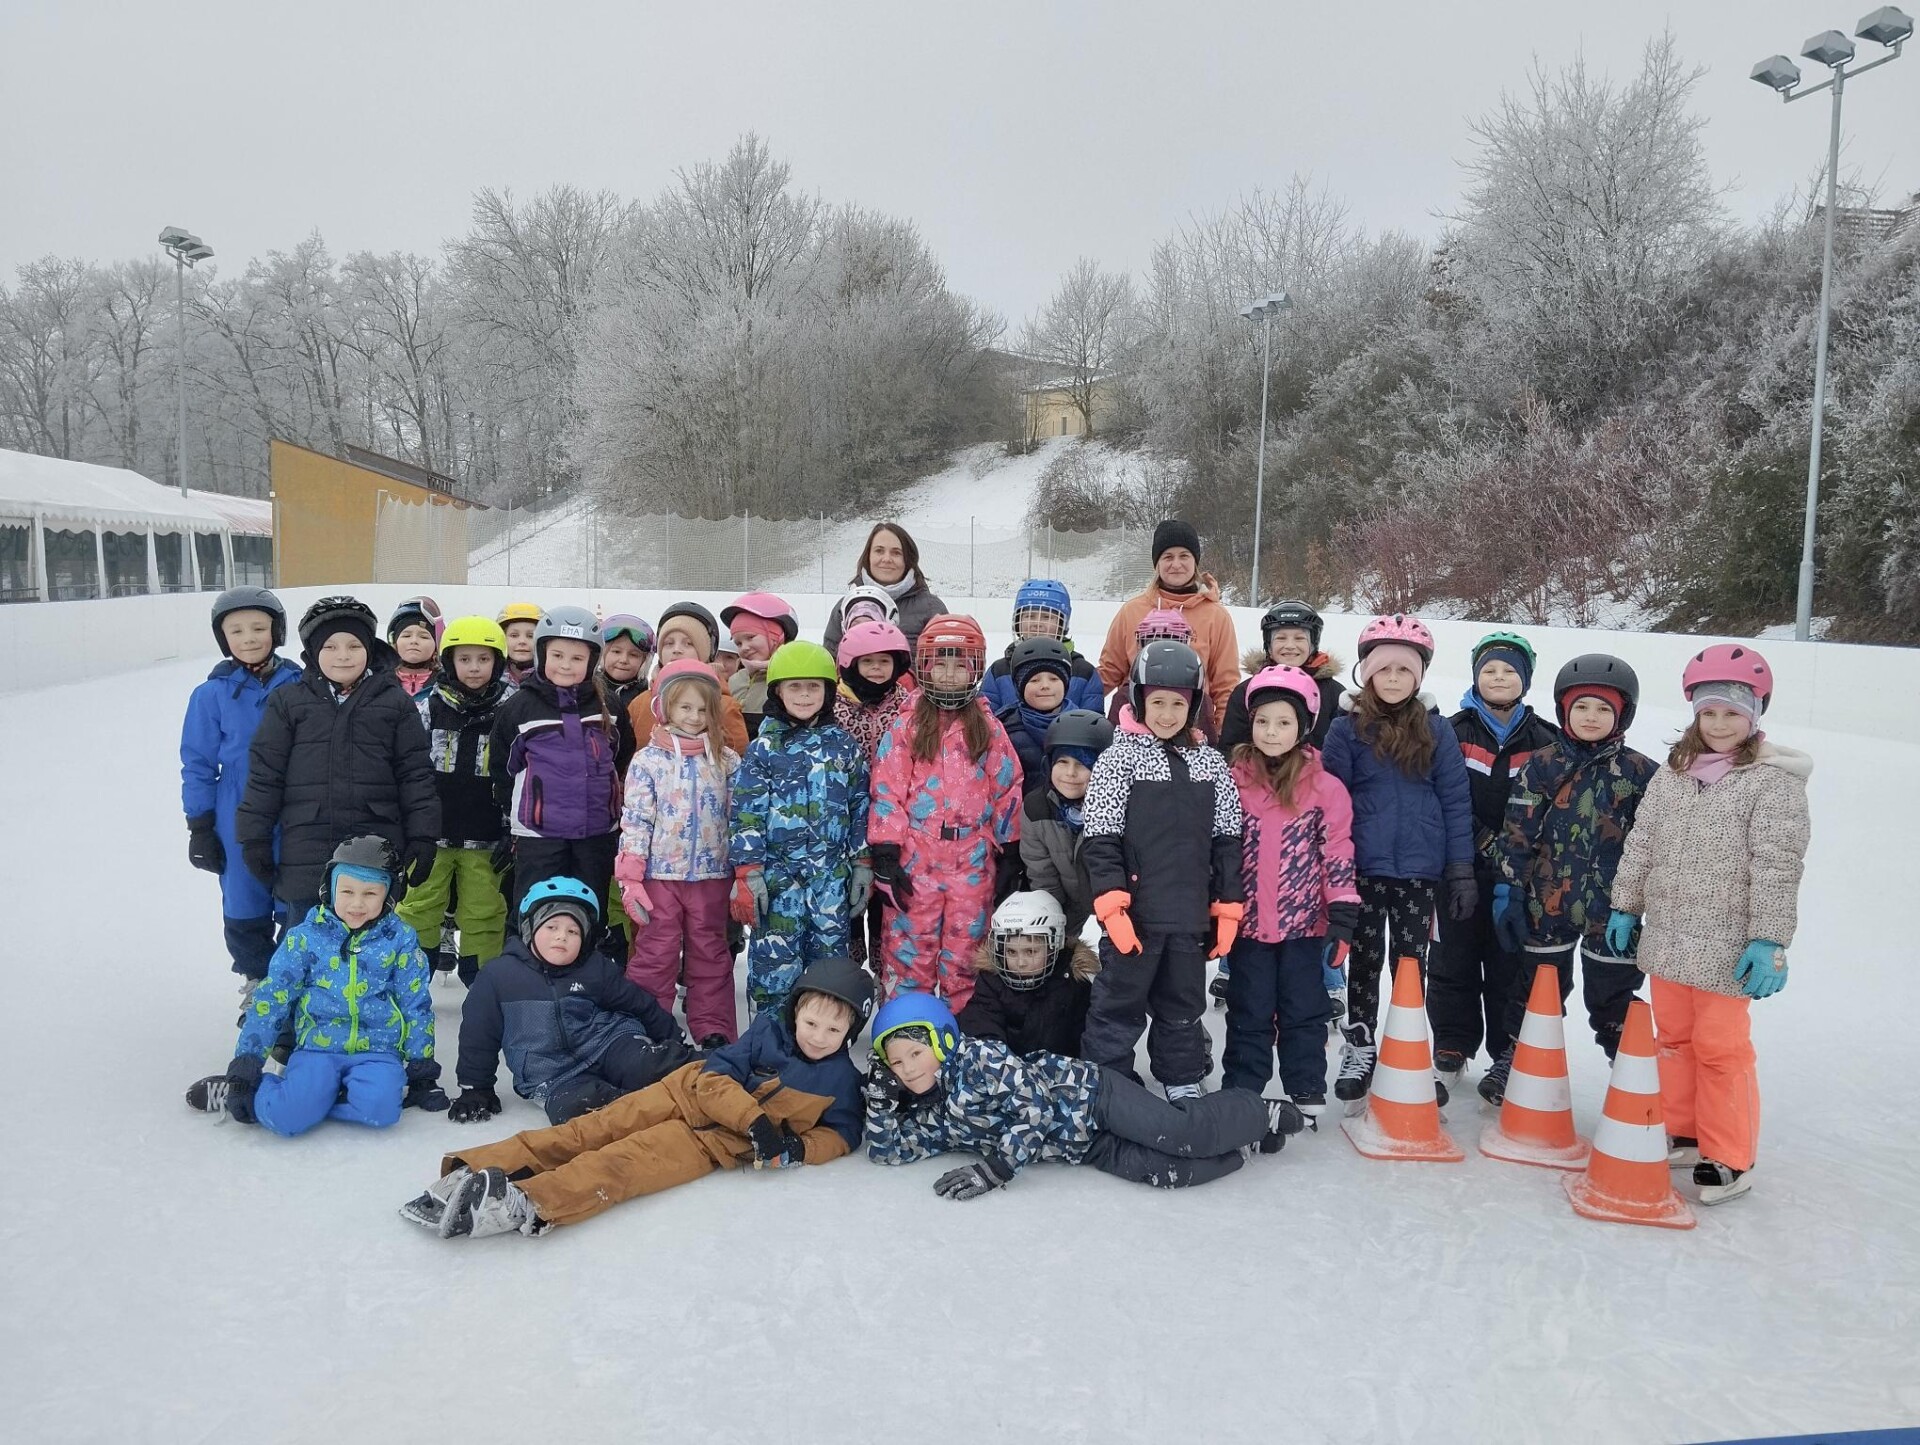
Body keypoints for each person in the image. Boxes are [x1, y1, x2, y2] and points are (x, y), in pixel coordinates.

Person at [398, 958, 872, 1239]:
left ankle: (527, 1202)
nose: (818, 1036)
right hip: (680, 1093)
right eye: (811, 1023)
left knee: (622, 1165)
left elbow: (844, 1132)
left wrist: (798, 1148)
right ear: (795, 1013)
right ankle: (471, 1169)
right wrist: (755, 1122)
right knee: (587, 1131)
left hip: (711, 1145)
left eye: (833, 1030)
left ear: (851, 1032)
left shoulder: (842, 1082)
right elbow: (715, 1074)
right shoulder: (767, 1033)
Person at [1607, 645, 1809, 1205]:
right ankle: (1685, 1131)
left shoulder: (1772, 783)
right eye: (1709, 713)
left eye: (1733, 713)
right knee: (1673, 1040)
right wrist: (1626, 905)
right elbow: (1642, 843)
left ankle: (1730, 1155)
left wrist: (1769, 939)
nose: (1719, 725)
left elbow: (1778, 865)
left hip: (1726, 945)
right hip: (1669, 936)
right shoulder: (1673, 775)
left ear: (1755, 715)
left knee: (1720, 1050)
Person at [863, 994, 1301, 1197]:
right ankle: (1243, 1143)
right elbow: (888, 1153)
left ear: (943, 1042)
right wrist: (880, 1106)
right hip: (1083, 1146)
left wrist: (996, 1169)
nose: (909, 1068)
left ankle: (1258, 1112)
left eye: (916, 1053)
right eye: (896, 1063)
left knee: (1178, 1131)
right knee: (1169, 1172)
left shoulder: (980, 1058)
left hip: (1092, 1096)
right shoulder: (934, 1118)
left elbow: (1033, 1106)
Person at [1476, 654, 1651, 1106]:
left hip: (1613, 911)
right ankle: (1516, 1057)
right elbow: (1517, 831)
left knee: (1613, 997)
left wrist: (1642, 904)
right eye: (1581, 707)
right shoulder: (1543, 764)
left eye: (1603, 709)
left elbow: (1655, 845)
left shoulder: (1641, 773)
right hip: (1546, 901)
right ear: (1563, 711)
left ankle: (1637, 1078)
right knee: (1536, 989)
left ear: (1622, 715)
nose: (1590, 717)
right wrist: (1509, 889)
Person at [186, 836, 444, 1132]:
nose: (357, 903)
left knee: (382, 1110)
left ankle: (319, 1099)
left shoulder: (400, 940)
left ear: (389, 896)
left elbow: (415, 1004)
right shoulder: (306, 938)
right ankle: (261, 1094)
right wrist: (247, 1063)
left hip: (378, 1052)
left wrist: (421, 1067)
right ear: (329, 889)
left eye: (370, 893)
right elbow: (273, 1000)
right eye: (347, 891)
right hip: (318, 1050)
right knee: (288, 1117)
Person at [1079, 640, 1244, 1102]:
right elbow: (1101, 838)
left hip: (1189, 916)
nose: (1168, 714)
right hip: (1136, 916)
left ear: (1193, 706)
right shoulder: (1119, 759)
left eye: (1178, 704)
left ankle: (1181, 1076)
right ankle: (1107, 1080)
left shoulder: (1210, 763)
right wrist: (1112, 906)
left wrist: (1226, 906)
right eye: (1158, 703)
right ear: (1139, 701)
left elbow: (1227, 840)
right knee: (1118, 1002)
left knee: (1182, 1004)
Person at [1320, 615, 1474, 1104]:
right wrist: (1331, 869)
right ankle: (1360, 1045)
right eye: (1383, 669)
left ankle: (1409, 1050)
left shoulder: (1437, 730)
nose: (1392, 679)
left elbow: (1456, 801)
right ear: (1366, 674)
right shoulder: (1346, 730)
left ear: (1419, 677)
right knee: (1364, 962)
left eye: (1404, 671)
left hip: (1419, 873)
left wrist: (1460, 869)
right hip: (1362, 870)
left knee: (1410, 963)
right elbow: (1331, 801)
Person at [236, 595, 439, 915]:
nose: (343, 656)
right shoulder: (288, 703)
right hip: (307, 850)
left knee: (373, 940)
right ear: (314, 651)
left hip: (375, 848)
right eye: (330, 646)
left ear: (369, 648)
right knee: (307, 940)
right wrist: (254, 839)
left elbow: (415, 774)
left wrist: (423, 836)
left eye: (354, 646)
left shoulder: (395, 703)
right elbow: (265, 776)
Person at [447, 876, 696, 1127]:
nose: (561, 937)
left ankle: (708, 1077)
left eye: (573, 931)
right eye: (551, 927)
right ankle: (646, 1115)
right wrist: (476, 1087)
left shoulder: (594, 967)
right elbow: (478, 1034)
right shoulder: (498, 976)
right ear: (529, 928)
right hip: (553, 1075)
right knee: (580, 1107)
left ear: (585, 938)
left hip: (610, 1044)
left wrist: (673, 1038)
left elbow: (638, 1004)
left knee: (649, 1065)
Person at [1224, 665, 1360, 1119]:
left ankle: (1305, 1086)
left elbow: (1337, 852)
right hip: (1248, 926)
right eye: (1262, 721)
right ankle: (1243, 1087)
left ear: (1302, 727)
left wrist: (1342, 912)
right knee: (1249, 1008)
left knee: (1304, 1008)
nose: (1271, 731)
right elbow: (1216, 847)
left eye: (1283, 722)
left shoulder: (1325, 788)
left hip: (1304, 927)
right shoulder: (1233, 780)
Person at [1428, 632, 1562, 1093]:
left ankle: (1508, 1049)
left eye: (1509, 671)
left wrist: (1518, 851)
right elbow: (1441, 794)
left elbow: (1554, 805)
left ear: (1525, 679)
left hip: (1519, 876)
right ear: (1475, 677)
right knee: (1453, 956)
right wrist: (1481, 840)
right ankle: (1452, 1040)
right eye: (1490, 670)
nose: (1499, 678)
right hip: (1459, 867)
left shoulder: (1546, 738)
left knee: (1510, 962)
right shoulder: (1451, 731)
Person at [868, 615, 1023, 1014]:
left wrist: (1011, 849)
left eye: (960, 665)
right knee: (909, 949)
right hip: (916, 857)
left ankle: (965, 1027)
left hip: (972, 858)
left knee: (966, 953)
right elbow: (887, 789)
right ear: (924, 667)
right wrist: (886, 852)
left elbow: (1007, 787)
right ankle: (906, 1026)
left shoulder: (987, 727)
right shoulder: (906, 725)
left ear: (975, 669)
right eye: (940, 664)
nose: (950, 674)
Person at [731, 641, 872, 1015]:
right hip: (778, 882)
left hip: (830, 880)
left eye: (813, 686)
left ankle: (822, 1039)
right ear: (777, 690)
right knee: (775, 971)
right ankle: (770, 1040)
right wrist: (748, 872)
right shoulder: (763, 749)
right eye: (795, 686)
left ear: (828, 691)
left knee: (828, 970)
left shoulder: (844, 747)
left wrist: (862, 863)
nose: (805, 695)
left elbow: (860, 804)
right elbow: (746, 813)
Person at [180, 586, 302, 996]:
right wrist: (200, 825)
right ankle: (257, 980)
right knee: (243, 897)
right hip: (236, 806)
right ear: (224, 638)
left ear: (276, 631)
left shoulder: (301, 684)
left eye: (258, 628)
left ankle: (291, 985)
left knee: (298, 898)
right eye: (236, 631)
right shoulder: (210, 695)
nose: (249, 638)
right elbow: (198, 762)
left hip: (295, 803)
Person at [615, 659, 739, 1047]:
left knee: (710, 951)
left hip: (712, 875)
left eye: (703, 709)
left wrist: (743, 870)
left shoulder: (726, 761)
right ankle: (647, 1025)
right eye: (685, 707)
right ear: (664, 706)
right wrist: (631, 878)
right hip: (659, 877)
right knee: (656, 951)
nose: (694, 717)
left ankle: (714, 1027)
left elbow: (740, 818)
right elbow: (635, 820)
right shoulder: (648, 761)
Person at [490, 606, 634, 919]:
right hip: (540, 835)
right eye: (557, 656)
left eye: (577, 658)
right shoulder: (520, 707)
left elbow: (622, 754)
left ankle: (590, 951)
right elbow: (503, 768)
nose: (566, 665)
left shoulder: (608, 705)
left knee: (589, 911)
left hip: (596, 833)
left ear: (592, 661)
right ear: (542, 653)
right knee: (535, 910)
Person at [397, 615, 516, 986]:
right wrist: (411, 822)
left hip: (486, 835)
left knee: (485, 910)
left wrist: (511, 827)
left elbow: (520, 774)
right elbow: (409, 768)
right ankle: (410, 976)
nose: (474, 668)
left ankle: (483, 981)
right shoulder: (429, 706)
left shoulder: (511, 710)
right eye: (465, 659)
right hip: (434, 833)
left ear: (498, 662)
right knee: (418, 904)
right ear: (449, 661)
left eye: (483, 659)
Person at [1097, 519, 1239, 721]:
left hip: (1192, 723)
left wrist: (1223, 731)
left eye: (1184, 556)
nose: (1176, 564)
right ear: (1157, 563)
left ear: (1195, 561)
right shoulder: (1132, 611)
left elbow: (1226, 684)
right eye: (1168, 557)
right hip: (1134, 721)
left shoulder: (1216, 616)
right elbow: (1109, 671)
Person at [958, 892, 1098, 1059]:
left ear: (1054, 945)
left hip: (1061, 1070)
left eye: (1030, 951)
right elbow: (981, 1025)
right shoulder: (992, 981)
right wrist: (997, 1062)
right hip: (1005, 1070)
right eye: (1011, 952)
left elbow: (1090, 1038)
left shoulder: (1074, 983)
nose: (1021, 962)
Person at [1018, 708, 1113, 942]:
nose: (1070, 773)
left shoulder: (1117, 808)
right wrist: (1058, 928)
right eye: (1062, 762)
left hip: (1114, 899)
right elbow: (1043, 875)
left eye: (1082, 764)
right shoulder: (1037, 808)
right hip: (1066, 899)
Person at [620, 601, 750, 758]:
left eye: (688, 644)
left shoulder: (723, 706)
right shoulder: (641, 704)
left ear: (705, 652)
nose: (676, 650)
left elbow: (739, 762)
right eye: (668, 643)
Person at [1219, 600, 1345, 751]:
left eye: (1299, 638)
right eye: (1281, 638)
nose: (1290, 646)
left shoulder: (1334, 693)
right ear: (1268, 645)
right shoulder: (1246, 691)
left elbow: (1342, 749)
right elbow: (1231, 748)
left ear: (1313, 644)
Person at [822, 521, 948, 655]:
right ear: (868, 556)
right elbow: (830, 660)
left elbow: (947, 660)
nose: (887, 559)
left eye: (896, 553)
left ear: (908, 559)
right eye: (879, 551)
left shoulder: (931, 608)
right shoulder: (846, 607)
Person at [982, 579, 1104, 714]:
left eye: (1047, 617)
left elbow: (1093, 721)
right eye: (1030, 616)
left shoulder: (1084, 671)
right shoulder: (999, 670)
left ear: (1062, 624)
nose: (1037, 624)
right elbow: (985, 720)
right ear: (1017, 621)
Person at [1104, 610, 1218, 738]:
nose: (1163, 653)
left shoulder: (1199, 699)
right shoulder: (1126, 696)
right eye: (1153, 642)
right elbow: (1111, 739)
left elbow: (1210, 742)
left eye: (1174, 642)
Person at [994, 636, 1077, 783]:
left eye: (1054, 679)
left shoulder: (1084, 727)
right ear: (1020, 687)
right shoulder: (1004, 728)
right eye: (1034, 680)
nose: (1045, 686)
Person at [720, 591, 800, 738]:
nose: (744, 647)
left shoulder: (792, 678)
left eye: (750, 637)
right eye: (738, 643)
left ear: (776, 637)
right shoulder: (736, 680)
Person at [597, 614, 656, 719]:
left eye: (633, 655)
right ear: (603, 654)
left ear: (644, 662)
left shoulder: (648, 702)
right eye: (616, 651)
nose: (623, 660)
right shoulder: (588, 692)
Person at [387, 596, 444, 698]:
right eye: (406, 636)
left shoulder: (446, 686)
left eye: (424, 637)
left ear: (436, 646)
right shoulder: (379, 684)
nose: (414, 641)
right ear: (394, 643)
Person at [497, 602, 541, 687]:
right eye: (514, 635)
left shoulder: (550, 679)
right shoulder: (491, 679)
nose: (522, 641)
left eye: (530, 636)